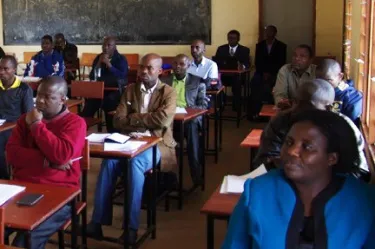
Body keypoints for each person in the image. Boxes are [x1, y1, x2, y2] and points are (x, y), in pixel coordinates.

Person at [222, 109, 375, 249]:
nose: (292, 151)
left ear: (332, 158)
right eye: (289, 142)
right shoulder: (257, 192)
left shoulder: (364, 201)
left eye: (307, 146)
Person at [86, 53, 177, 244]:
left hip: (157, 143)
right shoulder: (129, 90)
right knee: (109, 162)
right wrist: (142, 121)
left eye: (149, 68)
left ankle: (131, 227)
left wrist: (133, 119)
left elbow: (164, 120)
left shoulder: (168, 92)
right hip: (129, 141)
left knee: (135, 164)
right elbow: (117, 120)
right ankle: (96, 222)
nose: (143, 71)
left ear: (160, 71)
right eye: (142, 67)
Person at [6, 76, 86, 249]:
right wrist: (46, 161)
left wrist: (36, 125)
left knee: (23, 243)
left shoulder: (75, 123)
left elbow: (61, 155)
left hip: (60, 194)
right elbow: (12, 154)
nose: (40, 101)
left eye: (48, 97)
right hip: (21, 189)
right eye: (39, 95)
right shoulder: (23, 120)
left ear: (63, 99)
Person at [253, 79, 368, 175]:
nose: (297, 109)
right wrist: (279, 163)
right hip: (286, 186)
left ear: (328, 108)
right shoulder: (281, 121)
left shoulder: (344, 128)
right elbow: (262, 163)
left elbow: (360, 172)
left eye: (307, 106)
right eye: (295, 102)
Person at [162, 54, 208, 184]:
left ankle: (196, 173)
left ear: (188, 66)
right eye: (175, 63)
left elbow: (203, 105)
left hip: (188, 119)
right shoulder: (164, 80)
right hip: (169, 119)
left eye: (181, 64)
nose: (177, 67)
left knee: (192, 126)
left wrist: (189, 112)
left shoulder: (197, 81)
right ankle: (166, 177)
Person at [80, 36, 128, 132]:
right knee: (89, 104)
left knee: (109, 103)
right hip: (100, 90)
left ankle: (112, 132)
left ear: (114, 47)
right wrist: (99, 63)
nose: (105, 47)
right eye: (104, 45)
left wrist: (109, 64)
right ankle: (80, 129)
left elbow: (122, 76)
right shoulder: (98, 57)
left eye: (109, 45)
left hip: (115, 91)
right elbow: (92, 76)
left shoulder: (121, 59)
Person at [0, 55, 34, 179]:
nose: (1, 72)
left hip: (14, 127)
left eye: (5, 69)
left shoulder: (24, 89)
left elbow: (28, 115)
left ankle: (3, 179)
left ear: (14, 69)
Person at [248, 25, 287, 119]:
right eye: (267, 31)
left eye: (270, 31)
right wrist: (264, 72)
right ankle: (256, 111)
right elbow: (258, 62)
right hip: (261, 72)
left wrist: (270, 73)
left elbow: (281, 62)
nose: (268, 33)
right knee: (255, 82)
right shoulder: (260, 45)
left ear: (275, 33)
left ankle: (272, 111)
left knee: (275, 85)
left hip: (275, 73)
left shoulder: (281, 46)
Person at [316, 58, 363, 125]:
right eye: (319, 80)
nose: (323, 84)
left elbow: (349, 126)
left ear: (340, 76)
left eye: (328, 80)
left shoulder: (351, 97)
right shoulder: (316, 91)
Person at [273, 44, 316, 109]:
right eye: (295, 55)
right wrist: (282, 102)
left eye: (302, 56)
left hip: (311, 111)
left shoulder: (316, 71)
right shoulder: (285, 70)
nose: (297, 58)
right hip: (289, 110)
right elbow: (279, 93)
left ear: (310, 60)